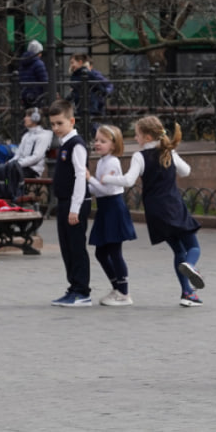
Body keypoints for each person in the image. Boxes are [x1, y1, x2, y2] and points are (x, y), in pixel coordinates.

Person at [104, 115, 206, 307]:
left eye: (137, 135)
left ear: (148, 138)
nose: (136, 138)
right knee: (193, 247)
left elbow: (127, 181)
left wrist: (108, 179)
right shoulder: (169, 152)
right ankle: (191, 267)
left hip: (154, 211)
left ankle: (188, 294)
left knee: (178, 251)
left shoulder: (139, 157)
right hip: (174, 206)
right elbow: (186, 171)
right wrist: (173, 156)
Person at [47, 100, 93, 307]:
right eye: (53, 124)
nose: (56, 128)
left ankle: (82, 290)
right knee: (66, 247)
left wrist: (75, 208)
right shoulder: (65, 144)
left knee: (76, 247)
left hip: (75, 203)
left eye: (59, 123)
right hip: (65, 202)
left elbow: (80, 176)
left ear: (71, 121)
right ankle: (73, 287)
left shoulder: (76, 145)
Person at [87, 124, 138, 307]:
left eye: (103, 141)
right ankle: (116, 287)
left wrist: (89, 179)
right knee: (101, 252)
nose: (97, 144)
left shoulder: (112, 162)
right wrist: (86, 185)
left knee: (115, 251)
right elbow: (97, 188)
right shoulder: (102, 161)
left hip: (113, 207)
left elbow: (107, 189)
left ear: (114, 145)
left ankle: (124, 292)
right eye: (96, 140)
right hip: (104, 208)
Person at [0, 108, 53, 201]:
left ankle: (13, 194)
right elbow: (18, 154)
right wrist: (9, 163)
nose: (25, 118)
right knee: (3, 169)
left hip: (32, 170)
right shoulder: (26, 135)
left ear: (35, 118)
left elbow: (36, 157)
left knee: (12, 171)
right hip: (20, 167)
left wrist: (18, 164)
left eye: (27, 116)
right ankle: (5, 193)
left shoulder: (44, 136)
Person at [67, 53, 112, 117]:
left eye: (72, 62)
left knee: (90, 123)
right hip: (81, 105)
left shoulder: (86, 73)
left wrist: (104, 93)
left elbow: (99, 86)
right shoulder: (76, 74)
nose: (71, 65)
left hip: (90, 106)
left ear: (80, 62)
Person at [18, 40, 48, 109]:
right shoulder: (39, 64)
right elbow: (44, 80)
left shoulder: (23, 63)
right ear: (38, 53)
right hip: (36, 95)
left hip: (25, 94)